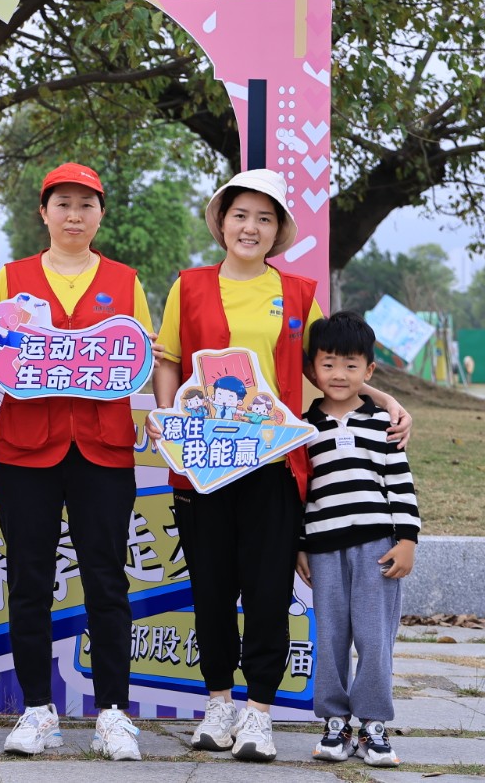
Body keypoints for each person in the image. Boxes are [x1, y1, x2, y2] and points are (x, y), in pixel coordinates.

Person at [151, 168, 411, 762]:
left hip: (274, 467)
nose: (251, 227)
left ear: (277, 231)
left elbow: (330, 367)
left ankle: (259, 712)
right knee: (211, 589)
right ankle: (219, 704)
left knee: (269, 592)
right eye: (240, 215)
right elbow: (169, 360)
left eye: (264, 219)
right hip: (204, 465)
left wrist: (385, 399)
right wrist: (166, 416)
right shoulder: (188, 286)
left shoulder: (297, 294)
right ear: (222, 223)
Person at [0, 162, 154, 761]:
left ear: (101, 214)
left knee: (106, 578)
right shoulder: (12, 278)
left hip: (102, 449)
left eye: (86, 205)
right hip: (26, 449)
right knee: (29, 578)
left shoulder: (125, 281)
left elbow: (140, 360)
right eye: (63, 204)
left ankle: (113, 713)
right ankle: (36, 710)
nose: (74, 215)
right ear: (44, 213)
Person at [296, 311, 419, 767]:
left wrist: (407, 539)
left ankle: (373, 724)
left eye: (351, 365)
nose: (339, 374)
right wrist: (300, 544)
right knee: (329, 636)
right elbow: (300, 493)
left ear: (369, 370)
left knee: (374, 636)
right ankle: (334, 722)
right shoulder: (303, 429)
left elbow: (400, 484)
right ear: (312, 369)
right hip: (324, 549)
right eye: (328, 363)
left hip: (377, 548)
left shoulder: (383, 423)